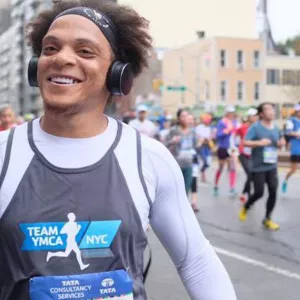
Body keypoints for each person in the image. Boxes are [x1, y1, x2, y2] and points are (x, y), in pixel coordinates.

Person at [0, 1, 236, 300]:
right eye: (50, 48)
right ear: (36, 66)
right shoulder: (4, 155)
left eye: (85, 51)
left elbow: (197, 263)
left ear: (118, 74)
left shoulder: (149, 159)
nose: (62, 58)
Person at [239, 103, 286, 231]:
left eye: (272, 109)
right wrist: (259, 143)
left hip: (271, 166)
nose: (271, 111)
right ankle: (246, 206)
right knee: (259, 192)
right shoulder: (256, 127)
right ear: (261, 114)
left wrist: (281, 143)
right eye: (268, 109)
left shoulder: (276, 128)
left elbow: (279, 142)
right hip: (258, 166)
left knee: (273, 192)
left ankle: (267, 218)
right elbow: (245, 142)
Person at [165, 110, 197, 195]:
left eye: (187, 116)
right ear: (178, 119)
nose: (186, 118)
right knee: (176, 189)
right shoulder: (174, 130)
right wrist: (172, 141)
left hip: (189, 163)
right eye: (183, 116)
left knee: (186, 189)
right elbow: (164, 144)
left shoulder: (192, 131)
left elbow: (195, 146)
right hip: (176, 164)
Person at [236, 108, 259, 203]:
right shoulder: (243, 127)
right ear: (249, 117)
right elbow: (235, 137)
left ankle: (244, 193)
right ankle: (247, 195)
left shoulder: (258, 127)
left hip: (253, 155)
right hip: (243, 154)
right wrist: (235, 148)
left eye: (256, 116)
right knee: (250, 174)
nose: (255, 118)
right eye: (253, 116)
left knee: (252, 176)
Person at [214, 106, 237, 197]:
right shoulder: (221, 122)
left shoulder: (235, 122)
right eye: (229, 112)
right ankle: (216, 186)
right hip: (223, 147)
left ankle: (232, 188)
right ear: (226, 113)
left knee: (233, 167)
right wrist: (226, 131)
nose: (231, 114)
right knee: (221, 167)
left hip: (232, 147)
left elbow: (236, 134)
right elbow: (218, 135)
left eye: (232, 112)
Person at [281, 104, 300, 194]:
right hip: (296, 148)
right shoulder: (291, 120)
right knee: (293, 169)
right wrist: (297, 134)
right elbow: (288, 132)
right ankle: (285, 180)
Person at [195, 113, 214, 183]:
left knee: (208, 162)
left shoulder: (211, 128)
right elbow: (197, 137)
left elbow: (212, 137)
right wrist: (203, 139)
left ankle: (202, 171)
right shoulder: (199, 127)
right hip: (201, 147)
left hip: (208, 147)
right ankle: (203, 174)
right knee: (204, 161)